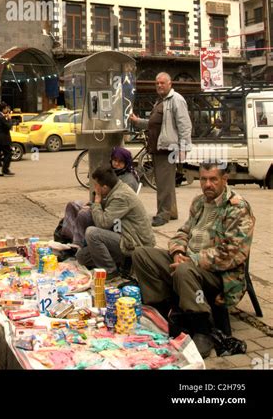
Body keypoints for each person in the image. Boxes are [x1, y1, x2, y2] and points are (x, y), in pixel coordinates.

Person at [131, 163, 255, 358]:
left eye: (213, 179)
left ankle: (202, 329)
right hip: (188, 265)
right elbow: (183, 232)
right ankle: (162, 312)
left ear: (224, 180)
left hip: (220, 275)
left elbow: (232, 254)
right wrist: (177, 253)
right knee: (142, 254)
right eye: (204, 179)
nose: (208, 184)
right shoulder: (199, 203)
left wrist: (192, 261)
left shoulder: (237, 208)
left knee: (184, 270)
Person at [129, 72, 192, 226]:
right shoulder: (161, 101)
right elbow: (153, 123)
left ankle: (163, 215)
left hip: (167, 149)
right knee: (166, 182)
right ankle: (171, 211)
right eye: (157, 83)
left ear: (170, 84)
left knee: (164, 184)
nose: (159, 86)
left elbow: (185, 125)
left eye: (162, 83)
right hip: (158, 148)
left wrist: (184, 148)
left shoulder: (176, 100)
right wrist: (138, 121)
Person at [74, 167, 155, 282]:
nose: (95, 188)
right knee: (81, 257)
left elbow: (103, 223)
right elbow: (108, 209)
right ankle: (120, 260)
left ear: (105, 187)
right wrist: (93, 204)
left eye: (96, 185)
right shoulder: (115, 189)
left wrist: (96, 203)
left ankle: (111, 271)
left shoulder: (121, 196)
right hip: (123, 235)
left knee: (92, 233)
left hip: (135, 242)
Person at [55, 147, 141, 251]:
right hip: (100, 206)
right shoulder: (110, 172)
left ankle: (78, 245)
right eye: (115, 160)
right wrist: (92, 202)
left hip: (111, 215)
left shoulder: (128, 182)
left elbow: (109, 212)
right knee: (72, 205)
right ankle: (68, 240)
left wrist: (95, 203)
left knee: (83, 214)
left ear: (126, 163)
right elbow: (98, 193)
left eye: (120, 162)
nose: (116, 164)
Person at [0, 102, 14, 177]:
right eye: (6, 108)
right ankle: (5, 169)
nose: (7, 110)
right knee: (8, 154)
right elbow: (8, 126)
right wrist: (9, 119)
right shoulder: (1, 117)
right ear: (3, 109)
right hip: (3, 140)